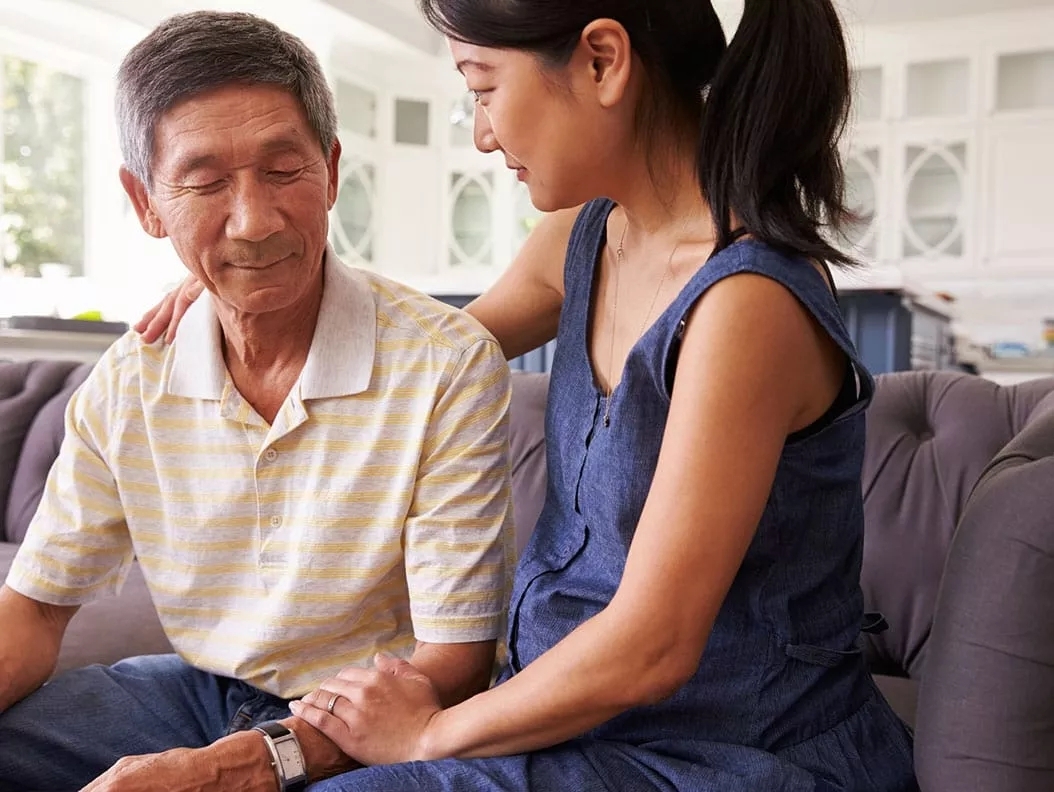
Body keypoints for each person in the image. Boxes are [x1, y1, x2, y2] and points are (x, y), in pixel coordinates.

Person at [127, 1, 920, 790]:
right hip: (569, 727)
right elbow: (415, 359)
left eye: (483, 88)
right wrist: (248, 288)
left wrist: (429, 733)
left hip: (720, 756)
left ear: (603, 61)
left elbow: (654, 644)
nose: (482, 132)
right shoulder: (586, 236)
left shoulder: (746, 304)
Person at [0, 10, 515, 792]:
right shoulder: (128, 382)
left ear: (333, 171)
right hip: (193, 692)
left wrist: (237, 767)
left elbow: (455, 662)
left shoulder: (445, 365)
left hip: (371, 721)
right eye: (205, 182)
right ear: (145, 203)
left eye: (284, 171)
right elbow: (34, 612)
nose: (255, 221)